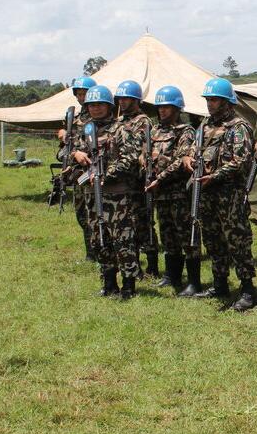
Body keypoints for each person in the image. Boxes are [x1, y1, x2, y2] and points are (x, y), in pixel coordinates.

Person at [185, 78, 257, 311]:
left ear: (227, 102)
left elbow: (242, 160)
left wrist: (214, 176)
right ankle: (220, 284)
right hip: (207, 194)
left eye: (214, 100)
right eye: (208, 100)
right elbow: (193, 150)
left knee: (237, 241)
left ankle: (247, 289)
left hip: (230, 193)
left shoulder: (238, 127)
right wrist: (187, 158)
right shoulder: (204, 126)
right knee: (213, 240)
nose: (210, 104)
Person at [72, 84, 143, 300]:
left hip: (117, 194)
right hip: (92, 195)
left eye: (100, 105)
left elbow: (130, 158)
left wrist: (107, 173)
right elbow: (63, 152)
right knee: (99, 239)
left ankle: (129, 286)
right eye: (91, 105)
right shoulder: (86, 131)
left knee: (123, 239)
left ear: (109, 106)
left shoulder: (120, 130)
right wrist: (76, 154)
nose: (95, 109)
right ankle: (109, 282)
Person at [145, 85, 200, 295]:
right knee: (167, 235)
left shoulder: (185, 132)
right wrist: (145, 161)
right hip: (161, 194)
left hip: (179, 193)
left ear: (177, 109)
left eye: (167, 107)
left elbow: (180, 161)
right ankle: (172, 276)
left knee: (187, 237)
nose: (162, 111)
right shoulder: (155, 131)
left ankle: (194, 281)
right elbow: (145, 152)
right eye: (160, 107)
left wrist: (160, 176)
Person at [115, 80, 159, 280]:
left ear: (136, 100)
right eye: (121, 98)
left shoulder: (143, 121)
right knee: (128, 225)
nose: (123, 102)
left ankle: (152, 266)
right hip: (121, 182)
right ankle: (134, 267)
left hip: (138, 181)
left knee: (144, 223)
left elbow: (139, 151)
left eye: (127, 99)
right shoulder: (118, 121)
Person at [57, 77, 96, 260]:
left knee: (95, 215)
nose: (81, 97)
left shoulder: (98, 117)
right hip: (77, 173)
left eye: (85, 93)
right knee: (81, 214)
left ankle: (100, 253)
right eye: (79, 94)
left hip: (92, 170)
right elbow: (66, 143)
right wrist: (63, 135)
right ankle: (90, 253)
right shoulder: (75, 117)